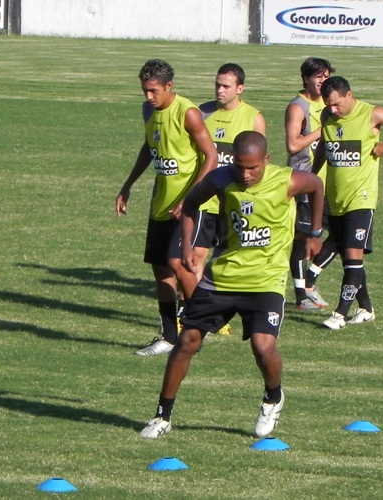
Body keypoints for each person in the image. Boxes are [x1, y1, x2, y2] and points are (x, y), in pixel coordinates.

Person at [139, 131, 324, 439]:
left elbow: (317, 186)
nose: (245, 174)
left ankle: (272, 398)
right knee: (186, 342)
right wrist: (188, 247)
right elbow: (190, 205)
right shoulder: (221, 179)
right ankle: (162, 416)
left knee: (263, 347)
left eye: (252, 167)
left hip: (266, 280)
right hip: (221, 278)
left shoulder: (288, 181)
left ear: (266, 160)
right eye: (240, 166)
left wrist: (315, 232)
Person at [116, 59, 218, 355]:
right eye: (145, 90)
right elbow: (150, 148)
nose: (148, 96)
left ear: (169, 86)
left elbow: (210, 157)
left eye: (154, 90)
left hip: (189, 204)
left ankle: (200, 323)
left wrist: (189, 197)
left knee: (178, 261)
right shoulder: (149, 110)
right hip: (161, 202)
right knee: (161, 270)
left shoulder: (188, 113)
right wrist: (128, 185)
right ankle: (169, 336)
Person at [312, 76, 383, 329]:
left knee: (353, 255)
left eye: (337, 104)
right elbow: (324, 148)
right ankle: (366, 308)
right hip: (336, 197)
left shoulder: (371, 114)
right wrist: (312, 173)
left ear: (349, 95)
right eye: (328, 105)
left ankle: (339, 315)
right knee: (350, 260)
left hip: (361, 198)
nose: (333, 109)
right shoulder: (328, 118)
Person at [193, 63, 266, 335]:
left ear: (240, 89)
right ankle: (197, 314)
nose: (219, 90)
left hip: (234, 203)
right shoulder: (203, 112)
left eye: (226, 86)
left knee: (228, 260)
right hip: (205, 201)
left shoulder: (253, 118)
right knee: (196, 256)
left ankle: (226, 313)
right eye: (217, 84)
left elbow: (259, 163)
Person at [285, 57, 339, 311]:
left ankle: (309, 281)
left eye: (326, 76)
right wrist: (322, 130)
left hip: (332, 181)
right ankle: (301, 296)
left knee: (339, 234)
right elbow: (293, 145)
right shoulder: (298, 107)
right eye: (318, 76)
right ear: (305, 78)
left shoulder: (332, 105)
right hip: (305, 180)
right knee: (302, 237)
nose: (322, 81)